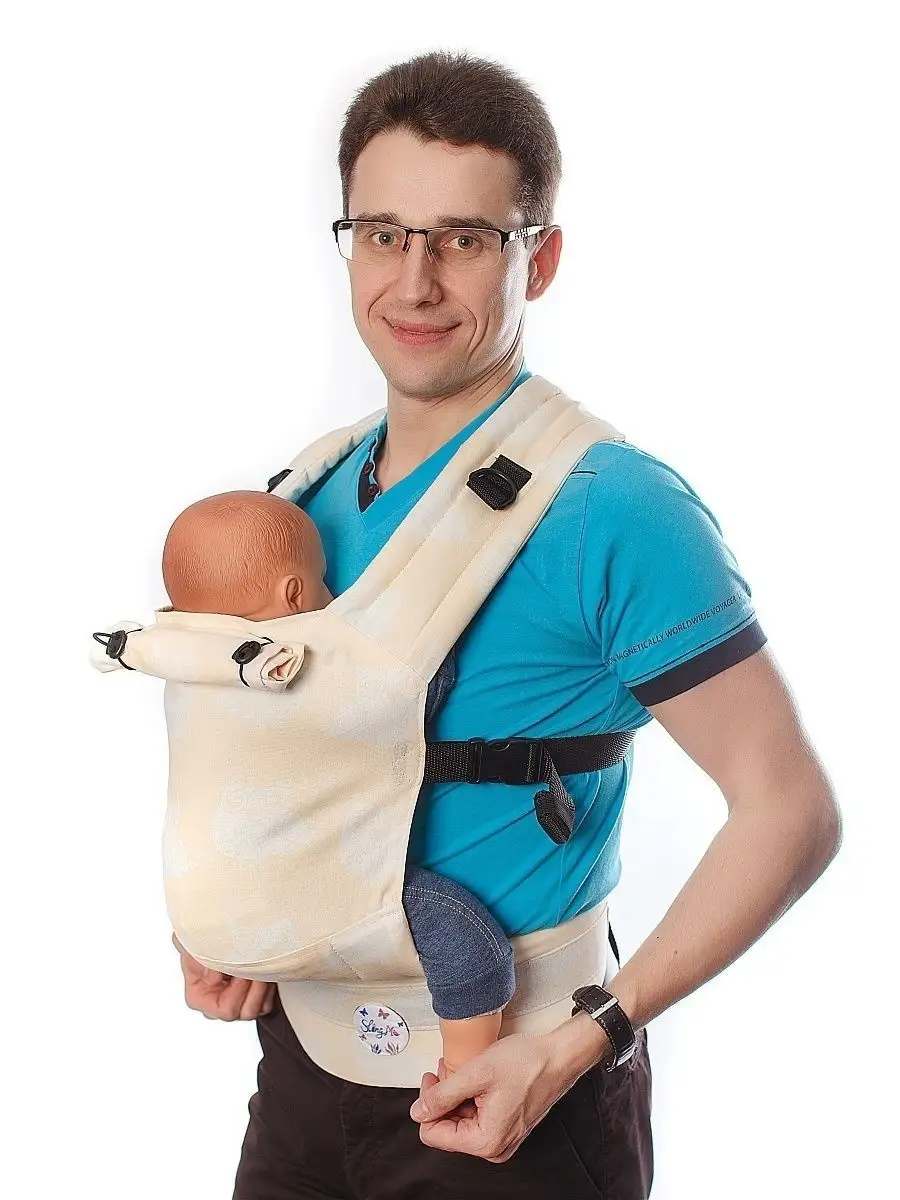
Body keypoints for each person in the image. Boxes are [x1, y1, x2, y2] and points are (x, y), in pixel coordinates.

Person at [171, 50, 842, 1199]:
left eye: (465, 239)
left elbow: (792, 812)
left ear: (542, 256)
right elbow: (271, 770)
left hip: (523, 1095)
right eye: (383, 234)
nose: (415, 281)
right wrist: (240, 936)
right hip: (303, 1073)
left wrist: (587, 1037)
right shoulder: (297, 505)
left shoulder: (613, 508)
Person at [160, 489, 515, 1073]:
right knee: (464, 940)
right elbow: (413, 688)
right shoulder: (312, 667)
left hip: (201, 918)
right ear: (294, 593)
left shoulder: (181, 663)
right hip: (304, 892)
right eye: (324, 580)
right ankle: (467, 1070)